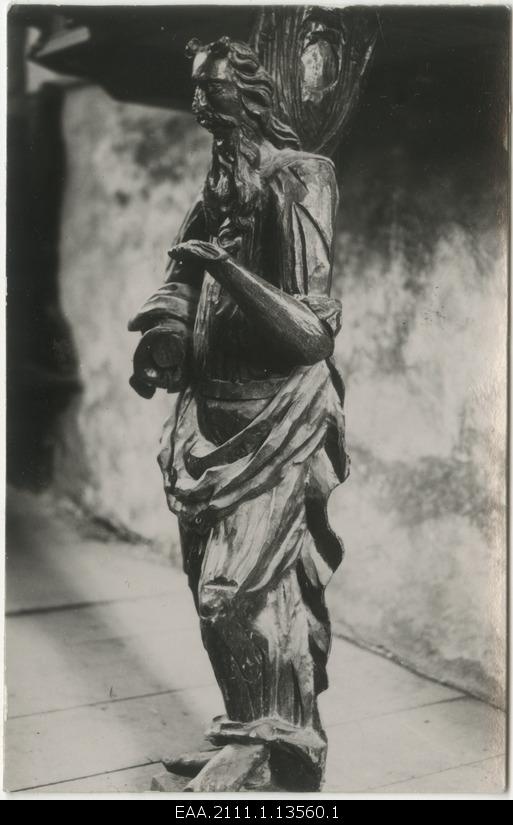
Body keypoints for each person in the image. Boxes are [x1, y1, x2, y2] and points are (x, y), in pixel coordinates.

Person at [129, 35, 349, 791]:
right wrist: (163, 335)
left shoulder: (302, 177)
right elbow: (180, 280)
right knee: (211, 594)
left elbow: (312, 332)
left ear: (249, 95)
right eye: (197, 90)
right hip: (207, 419)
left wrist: (227, 268)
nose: (199, 106)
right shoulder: (218, 182)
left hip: (275, 420)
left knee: (235, 596)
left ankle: (274, 747)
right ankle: (248, 734)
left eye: (213, 91)